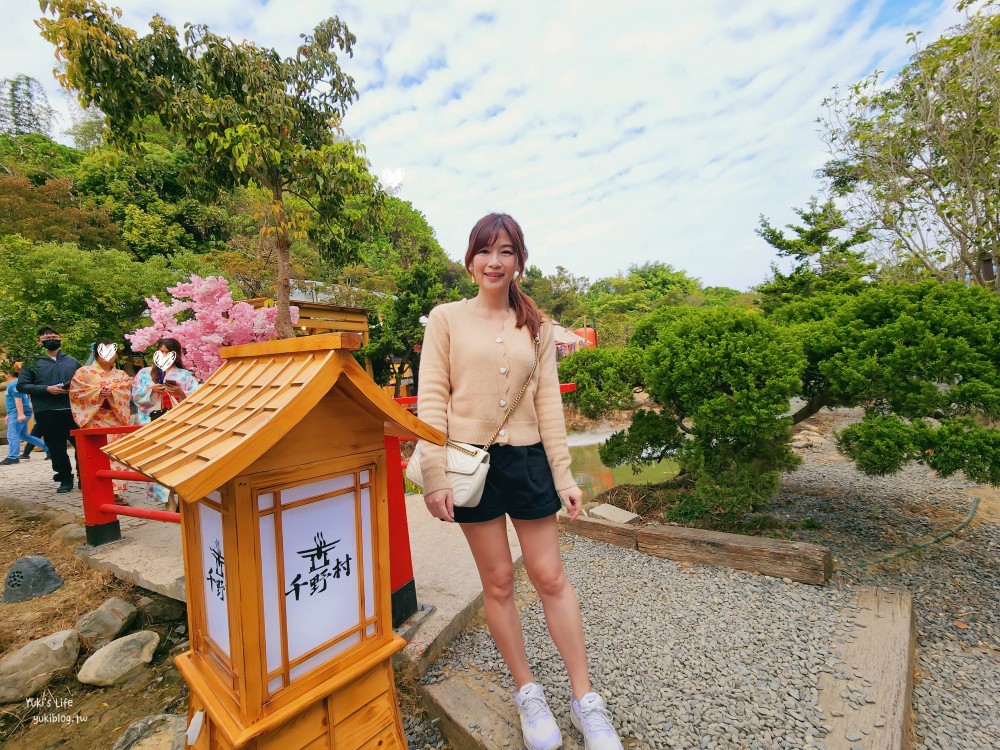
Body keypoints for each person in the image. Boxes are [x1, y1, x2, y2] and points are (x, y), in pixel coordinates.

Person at [415, 213, 623, 750]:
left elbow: (549, 406)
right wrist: (433, 473)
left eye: (506, 251)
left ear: (519, 260)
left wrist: (564, 474)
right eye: (485, 250)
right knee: (500, 582)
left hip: (529, 461)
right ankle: (528, 691)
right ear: (470, 259)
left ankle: (584, 699)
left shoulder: (538, 324)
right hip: (471, 465)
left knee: (550, 576)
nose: (495, 261)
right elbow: (432, 399)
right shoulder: (445, 319)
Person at [131, 338, 199, 507]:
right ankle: (168, 501)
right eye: (160, 351)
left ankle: (183, 497)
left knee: (179, 460)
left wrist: (181, 393)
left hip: (178, 425)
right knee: (157, 461)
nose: (163, 355)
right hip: (153, 423)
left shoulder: (185, 376)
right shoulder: (145, 373)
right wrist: (151, 390)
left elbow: (197, 397)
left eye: (167, 352)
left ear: (176, 356)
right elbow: (135, 396)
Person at [17, 327, 81, 492]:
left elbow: (84, 381)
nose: (51, 339)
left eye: (54, 336)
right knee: (56, 447)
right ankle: (65, 478)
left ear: (61, 339)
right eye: (47, 337)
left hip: (73, 411)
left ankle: (84, 477)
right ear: (39, 341)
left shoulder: (72, 361)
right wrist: (47, 389)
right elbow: (22, 386)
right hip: (47, 411)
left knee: (81, 446)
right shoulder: (32, 362)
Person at [70, 340, 132, 502]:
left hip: (115, 419)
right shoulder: (83, 373)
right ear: (97, 353)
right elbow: (76, 393)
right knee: (96, 457)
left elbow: (125, 394)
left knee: (115, 456)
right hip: (94, 420)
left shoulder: (121, 375)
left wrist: (112, 394)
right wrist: (97, 393)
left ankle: (115, 493)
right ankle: (98, 492)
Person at [3, 363, 48, 465]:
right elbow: (12, 401)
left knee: (12, 434)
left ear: (8, 374)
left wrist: (20, 414)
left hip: (18, 411)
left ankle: (12, 457)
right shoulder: (17, 384)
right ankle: (48, 448)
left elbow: (18, 400)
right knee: (24, 436)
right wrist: (9, 414)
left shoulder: (14, 384)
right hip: (16, 411)